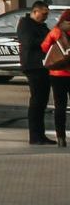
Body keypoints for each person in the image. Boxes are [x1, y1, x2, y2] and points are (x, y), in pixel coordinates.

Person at [18, 0, 53, 145]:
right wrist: (47, 39)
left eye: (47, 14)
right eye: (43, 14)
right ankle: (34, 136)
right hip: (33, 66)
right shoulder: (25, 24)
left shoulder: (42, 26)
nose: (45, 17)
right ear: (35, 11)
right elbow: (30, 42)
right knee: (37, 101)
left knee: (42, 102)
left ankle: (41, 135)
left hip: (44, 66)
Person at [44, 8, 70, 148]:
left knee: (60, 106)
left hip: (57, 74)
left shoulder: (56, 31)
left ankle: (61, 138)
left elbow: (44, 47)